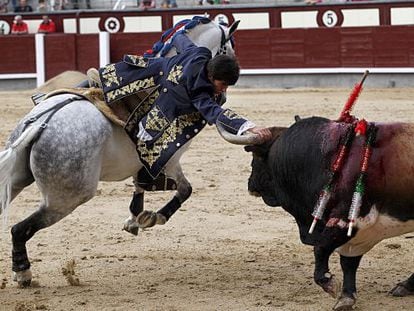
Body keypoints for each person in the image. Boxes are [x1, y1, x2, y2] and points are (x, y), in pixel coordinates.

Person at [89, 30, 272, 184]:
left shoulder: (200, 53)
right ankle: (145, 177)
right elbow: (212, 111)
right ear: (210, 76)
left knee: (108, 77)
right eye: (223, 84)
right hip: (158, 93)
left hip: (149, 70)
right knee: (149, 147)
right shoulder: (198, 92)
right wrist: (250, 126)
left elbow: (181, 40)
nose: (224, 89)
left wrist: (177, 33)